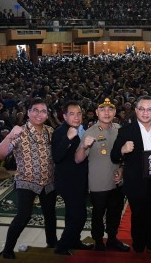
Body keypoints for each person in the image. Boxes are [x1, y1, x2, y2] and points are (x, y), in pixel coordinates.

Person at [0, 98, 57, 259]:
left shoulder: (50, 131)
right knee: (23, 216)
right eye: (35, 110)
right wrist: (9, 136)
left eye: (43, 111)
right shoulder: (19, 132)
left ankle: (52, 243)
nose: (39, 114)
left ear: (47, 114)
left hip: (48, 180)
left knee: (50, 214)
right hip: (26, 180)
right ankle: (8, 249)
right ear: (28, 112)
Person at [111, 95, 151, 254]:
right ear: (136, 110)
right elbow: (114, 156)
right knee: (138, 217)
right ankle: (138, 246)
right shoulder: (126, 131)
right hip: (135, 182)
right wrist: (123, 149)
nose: (145, 113)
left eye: (149, 109)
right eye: (142, 109)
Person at [75, 98, 130, 252]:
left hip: (117, 182)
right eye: (103, 109)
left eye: (110, 109)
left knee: (115, 213)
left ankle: (112, 239)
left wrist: (122, 169)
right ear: (97, 112)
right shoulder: (90, 132)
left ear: (115, 112)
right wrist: (83, 146)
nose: (107, 113)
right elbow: (78, 159)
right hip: (98, 184)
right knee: (98, 215)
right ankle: (98, 241)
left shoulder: (119, 129)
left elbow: (123, 155)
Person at [51, 100, 92, 255]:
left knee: (72, 214)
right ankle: (61, 247)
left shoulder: (82, 129)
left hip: (81, 180)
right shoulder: (60, 132)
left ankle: (74, 241)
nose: (76, 117)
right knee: (79, 216)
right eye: (72, 114)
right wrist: (68, 138)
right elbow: (56, 156)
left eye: (79, 113)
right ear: (64, 116)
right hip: (69, 182)